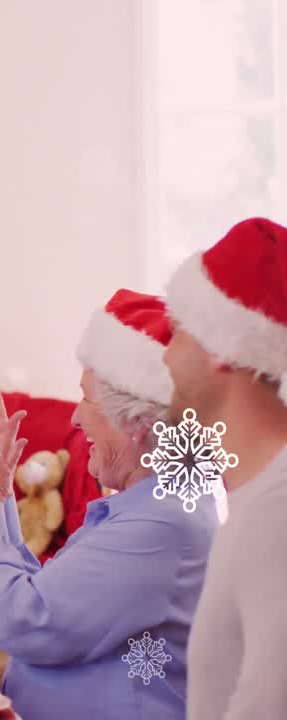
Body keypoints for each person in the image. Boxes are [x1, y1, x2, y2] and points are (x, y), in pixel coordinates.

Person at [0, 290, 217, 720]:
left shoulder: (159, 524)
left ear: (136, 422)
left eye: (88, 399)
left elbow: (24, 621)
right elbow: (34, 601)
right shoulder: (150, 506)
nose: (75, 418)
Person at [160, 217, 287, 719]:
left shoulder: (275, 515)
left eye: (177, 332)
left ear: (220, 348)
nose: (166, 355)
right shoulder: (255, 500)